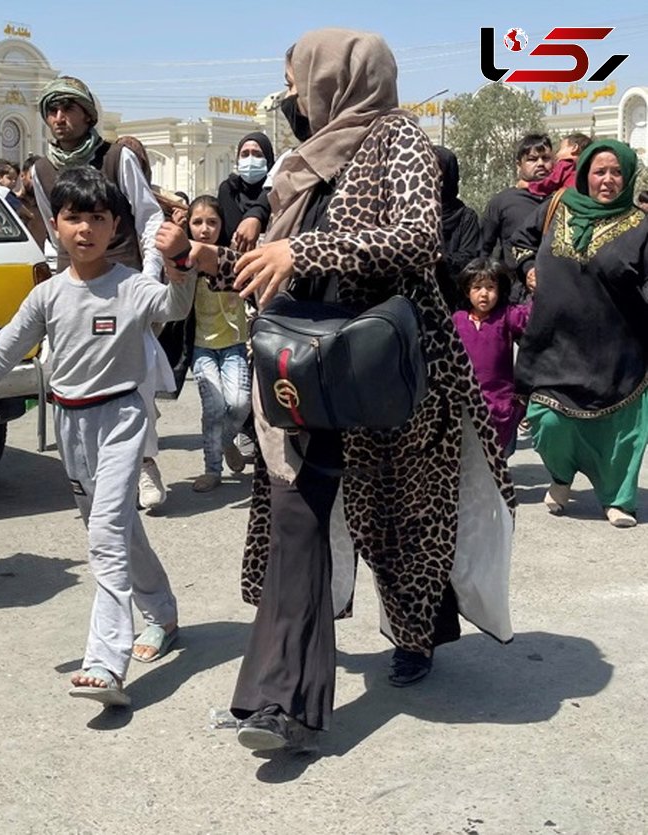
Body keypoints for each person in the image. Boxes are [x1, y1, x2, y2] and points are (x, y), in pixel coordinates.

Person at [155, 29, 515, 751]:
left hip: (390, 371)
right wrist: (202, 256)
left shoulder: (397, 139)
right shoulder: (299, 163)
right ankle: (275, 699)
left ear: (333, 77)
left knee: (400, 522)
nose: (289, 94)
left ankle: (416, 633)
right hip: (301, 370)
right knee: (296, 524)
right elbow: (273, 266)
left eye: (296, 78)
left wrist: (305, 248)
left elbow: (418, 238)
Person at [0, 167, 194, 707]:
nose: (85, 229)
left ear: (115, 225)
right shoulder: (47, 295)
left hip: (121, 420)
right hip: (72, 427)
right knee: (117, 529)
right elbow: (4, 348)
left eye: (98, 218)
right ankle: (162, 613)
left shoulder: (132, 286)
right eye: (74, 218)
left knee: (106, 537)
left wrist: (178, 261)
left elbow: (175, 307)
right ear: (55, 225)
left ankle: (104, 663)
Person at [29, 76, 172, 511]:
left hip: (124, 282)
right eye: (52, 110)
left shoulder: (117, 156)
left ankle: (145, 462)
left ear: (88, 114)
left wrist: (148, 278)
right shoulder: (41, 170)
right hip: (73, 288)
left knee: (137, 375)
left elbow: (148, 217)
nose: (59, 118)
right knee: (63, 370)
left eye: (68, 109)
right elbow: (54, 234)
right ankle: (92, 469)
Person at [512, 139, 648, 529]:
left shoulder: (641, 226)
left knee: (622, 429)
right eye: (599, 171)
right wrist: (526, 269)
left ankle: (619, 499)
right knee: (547, 421)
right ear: (585, 172)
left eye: (616, 172)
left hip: (617, 349)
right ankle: (560, 476)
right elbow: (521, 241)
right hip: (554, 342)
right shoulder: (557, 207)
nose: (607, 180)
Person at [185, 196, 250, 491]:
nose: (204, 228)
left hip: (234, 344)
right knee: (213, 408)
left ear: (222, 225)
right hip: (202, 348)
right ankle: (212, 470)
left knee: (238, 404)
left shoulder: (232, 258)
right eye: (197, 222)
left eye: (212, 222)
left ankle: (226, 443)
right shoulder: (184, 263)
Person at [452, 258, 531, 455]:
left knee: (497, 459)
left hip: (501, 404)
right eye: (477, 287)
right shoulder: (457, 320)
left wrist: (536, 289)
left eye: (490, 287)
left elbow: (532, 317)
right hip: (464, 404)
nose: (484, 294)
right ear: (466, 291)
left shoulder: (506, 316)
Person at [482, 133, 553, 302]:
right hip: (515, 297)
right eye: (532, 159)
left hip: (557, 292)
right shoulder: (503, 201)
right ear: (518, 165)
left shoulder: (562, 199)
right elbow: (484, 250)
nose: (540, 164)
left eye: (545, 158)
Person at [433, 146, 482, 311]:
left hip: (453, 301)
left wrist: (439, 258)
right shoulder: (412, 213)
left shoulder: (466, 217)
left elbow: (468, 258)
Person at [216, 132, 275, 252]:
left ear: (268, 160)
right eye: (245, 154)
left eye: (257, 155)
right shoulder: (228, 189)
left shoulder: (277, 190)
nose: (250, 159)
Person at [527, 132, 591, 200]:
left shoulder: (565, 163)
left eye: (560, 148)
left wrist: (529, 186)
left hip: (569, 199)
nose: (557, 153)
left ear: (574, 148)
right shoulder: (585, 168)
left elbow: (551, 182)